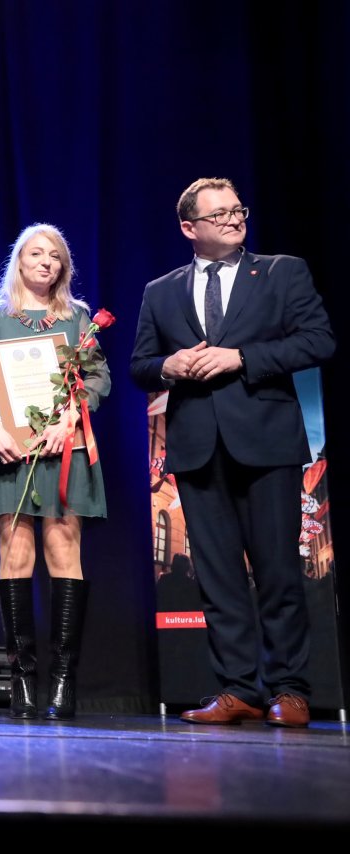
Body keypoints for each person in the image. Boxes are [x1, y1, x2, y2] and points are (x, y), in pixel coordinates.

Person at [131, 177, 335, 728]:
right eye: (218, 214)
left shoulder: (281, 271)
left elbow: (319, 340)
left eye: (237, 210)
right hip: (198, 448)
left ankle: (290, 689)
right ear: (188, 227)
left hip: (267, 442)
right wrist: (168, 366)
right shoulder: (161, 291)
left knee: (278, 572)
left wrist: (241, 358)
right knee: (219, 578)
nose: (233, 219)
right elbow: (140, 365)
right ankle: (238, 688)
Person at [0, 224, 110, 720]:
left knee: (63, 549)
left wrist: (71, 417)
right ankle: (23, 681)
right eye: (36, 253)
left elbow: (97, 376)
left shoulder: (77, 317)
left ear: (63, 266)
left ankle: (63, 682)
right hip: (10, 448)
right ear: (19, 261)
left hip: (64, 447)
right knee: (17, 552)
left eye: (55, 255)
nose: (46, 261)